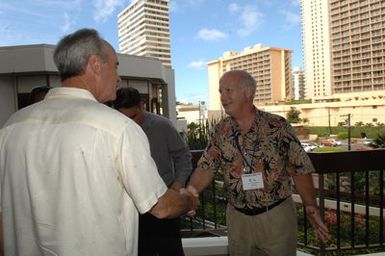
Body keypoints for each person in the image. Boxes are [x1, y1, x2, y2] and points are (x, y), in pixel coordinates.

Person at [0, 28, 197, 256]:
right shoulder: (118, 129)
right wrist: (188, 201)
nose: (118, 77)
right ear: (95, 64)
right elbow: (161, 207)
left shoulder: (11, 127)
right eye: (115, 66)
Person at [187, 70, 330, 256]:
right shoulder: (220, 130)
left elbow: (299, 167)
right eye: (220, 91)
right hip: (238, 219)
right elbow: (206, 166)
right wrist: (191, 191)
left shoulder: (277, 126)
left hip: (276, 217)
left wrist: (310, 206)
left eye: (228, 90)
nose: (223, 97)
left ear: (248, 92)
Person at [113, 87, 193, 256]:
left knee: (171, 251)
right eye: (123, 117)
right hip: (132, 209)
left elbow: (183, 156)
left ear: (142, 106)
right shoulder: (114, 130)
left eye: (133, 116)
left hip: (165, 200)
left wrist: (178, 184)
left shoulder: (162, 125)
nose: (130, 123)